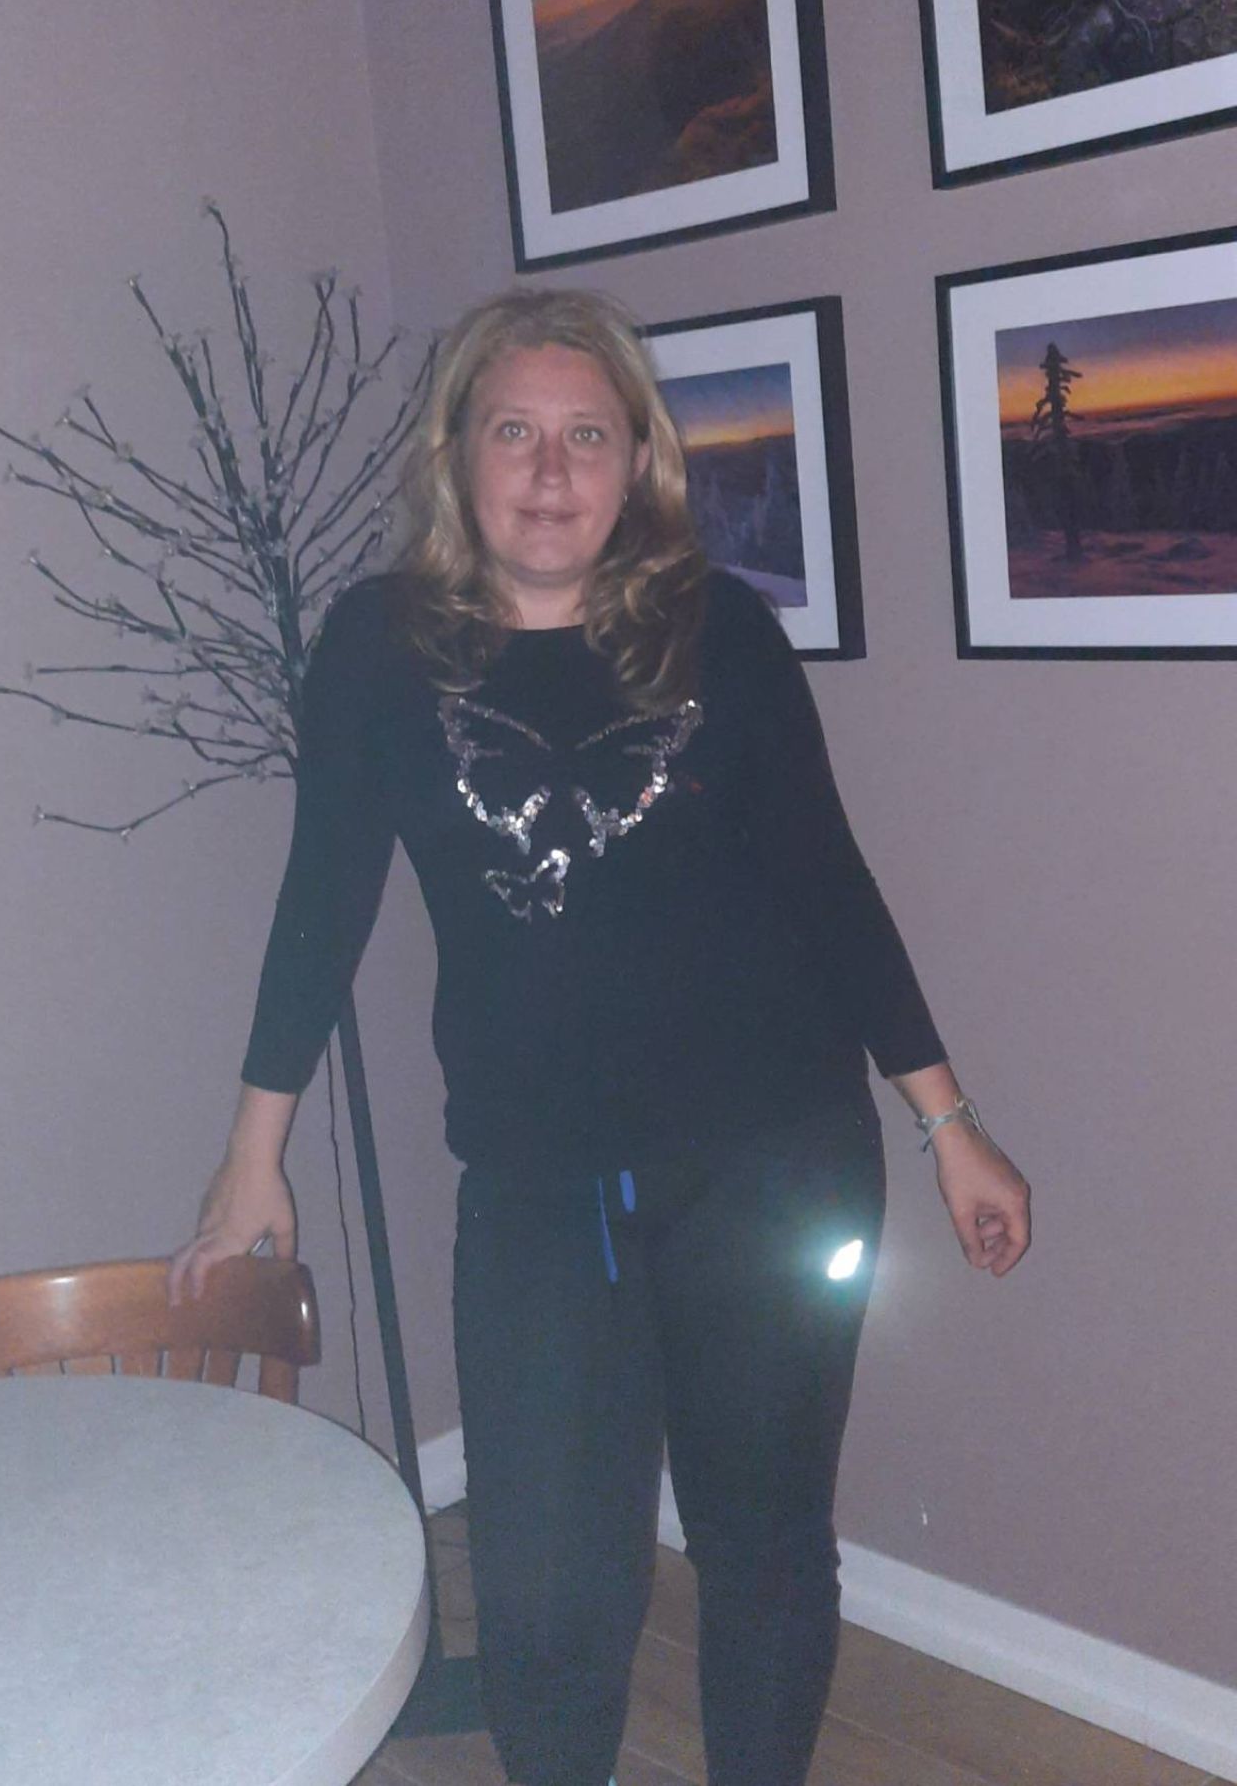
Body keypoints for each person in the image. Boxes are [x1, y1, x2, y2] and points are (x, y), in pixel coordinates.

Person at [170, 288, 1031, 1786]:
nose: (550, 471)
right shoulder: (377, 649)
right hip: (538, 1184)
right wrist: (257, 1150)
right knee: (546, 1588)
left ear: (638, 464)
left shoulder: (722, 635)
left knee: (763, 1542)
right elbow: (323, 895)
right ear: (458, 453)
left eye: (586, 436)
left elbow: (828, 884)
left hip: (777, 1158)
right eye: (515, 431)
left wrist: (949, 1124)